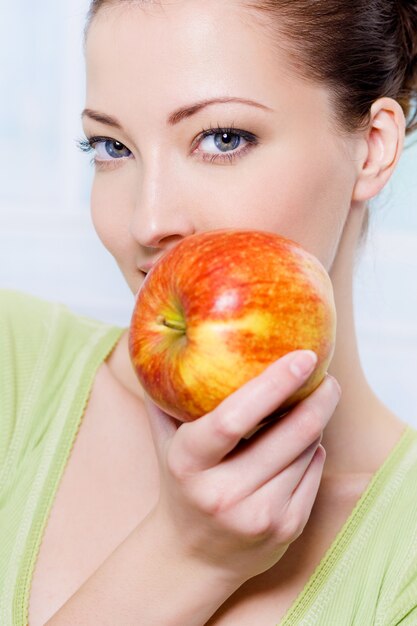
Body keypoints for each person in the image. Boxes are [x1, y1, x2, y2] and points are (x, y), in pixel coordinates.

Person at [1, 0, 417, 624]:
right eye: (111, 145)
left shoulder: (404, 563)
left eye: (223, 138)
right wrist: (186, 558)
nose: (148, 221)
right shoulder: (13, 362)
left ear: (372, 148)